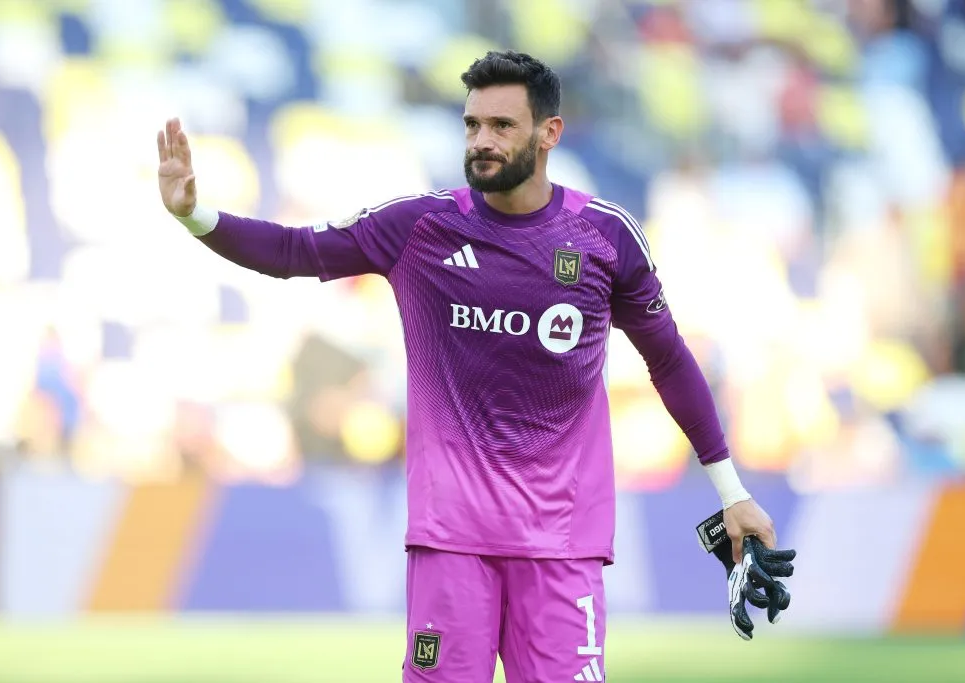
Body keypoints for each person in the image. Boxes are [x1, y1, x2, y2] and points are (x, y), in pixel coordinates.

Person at [157, 50, 783, 683]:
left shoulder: (604, 237)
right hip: (451, 540)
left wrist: (732, 493)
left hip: (563, 546)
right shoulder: (420, 226)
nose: (482, 141)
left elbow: (669, 359)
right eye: (472, 125)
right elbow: (295, 251)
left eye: (502, 126)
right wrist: (194, 214)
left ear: (549, 133)